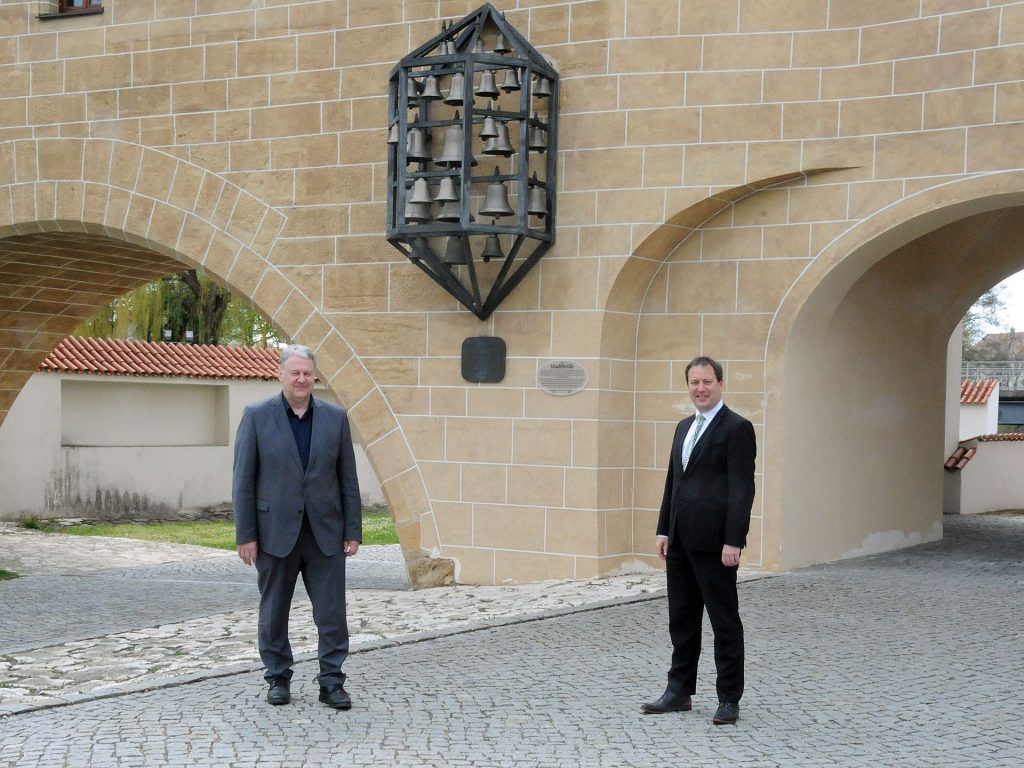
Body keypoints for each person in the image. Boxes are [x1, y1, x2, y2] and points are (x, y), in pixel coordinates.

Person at [233, 344, 362, 709]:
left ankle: (332, 682)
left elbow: (347, 478)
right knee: (274, 611)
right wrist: (246, 535)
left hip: (325, 533)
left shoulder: (335, 418)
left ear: (315, 376)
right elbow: (243, 479)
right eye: (295, 373)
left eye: (307, 373)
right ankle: (277, 678)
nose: (302, 379)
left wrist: (352, 529)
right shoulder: (257, 416)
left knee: (332, 613)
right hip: (274, 532)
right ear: (281, 375)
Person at [641, 355, 756, 725]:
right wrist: (664, 530)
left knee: (724, 622)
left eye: (707, 382)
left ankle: (728, 698)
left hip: (716, 545)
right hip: (679, 543)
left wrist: (733, 540)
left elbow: (742, 489)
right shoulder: (682, 428)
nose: (701, 388)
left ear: (721, 383)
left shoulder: (737, 428)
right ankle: (679, 692)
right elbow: (674, 482)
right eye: (694, 382)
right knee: (682, 620)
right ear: (688, 385)